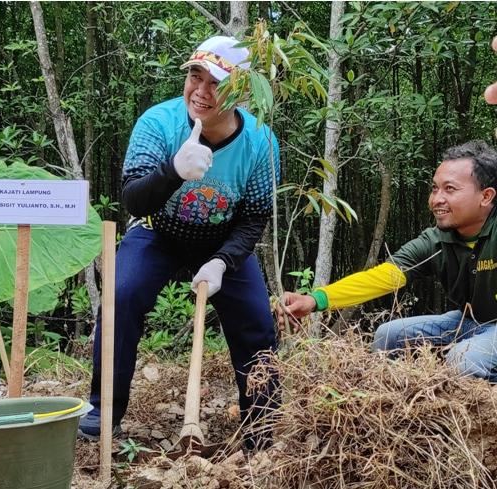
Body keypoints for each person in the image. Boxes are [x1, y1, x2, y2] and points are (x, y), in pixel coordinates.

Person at [78, 36, 281, 448]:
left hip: (223, 239)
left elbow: (255, 215)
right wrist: (174, 170)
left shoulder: (260, 142)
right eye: (195, 77)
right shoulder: (158, 123)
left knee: (257, 322)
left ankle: (262, 426)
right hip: (158, 229)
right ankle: (104, 410)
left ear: (240, 93)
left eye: (216, 83)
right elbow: (134, 199)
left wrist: (223, 261)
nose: (201, 91)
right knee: (121, 295)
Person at [280, 140, 497, 382]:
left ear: (486, 196)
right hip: (469, 322)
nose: (437, 199)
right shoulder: (436, 240)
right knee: (389, 335)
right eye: (435, 189)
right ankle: (396, 399)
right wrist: (313, 300)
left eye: (450, 189)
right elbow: (384, 276)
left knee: (464, 360)